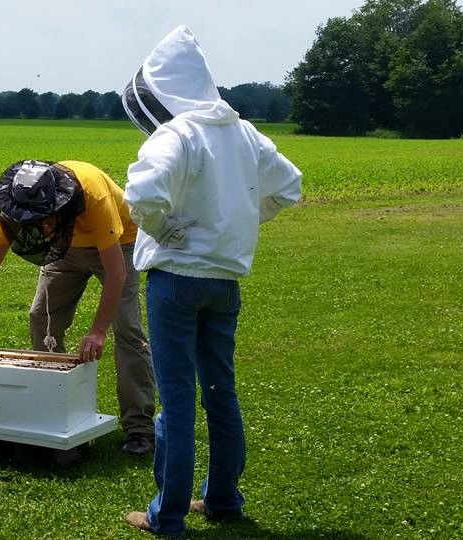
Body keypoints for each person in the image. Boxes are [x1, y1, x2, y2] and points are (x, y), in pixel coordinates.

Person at [119, 27, 302, 536]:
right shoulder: (244, 132)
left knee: (177, 398)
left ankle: (167, 515)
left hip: (175, 281)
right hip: (224, 281)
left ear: (164, 89)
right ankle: (222, 499)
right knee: (221, 390)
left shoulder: (177, 134)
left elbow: (142, 195)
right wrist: (236, 221)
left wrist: (163, 229)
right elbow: (288, 187)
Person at [0, 159, 156, 455]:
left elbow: (116, 273)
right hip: (65, 248)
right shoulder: (18, 206)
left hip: (120, 243)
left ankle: (140, 429)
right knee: (41, 317)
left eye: (44, 219)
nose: (39, 225)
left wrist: (98, 331)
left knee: (127, 330)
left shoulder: (93, 197)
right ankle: (54, 412)